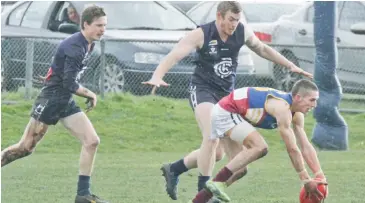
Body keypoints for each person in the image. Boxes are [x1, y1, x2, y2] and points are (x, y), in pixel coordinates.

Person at [142, 1, 312, 202]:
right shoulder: (202, 34)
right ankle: (202, 194)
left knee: (221, 155)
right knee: (211, 137)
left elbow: (262, 49)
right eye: (230, 20)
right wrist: (157, 75)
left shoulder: (241, 31)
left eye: (237, 20)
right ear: (219, 16)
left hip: (227, 97)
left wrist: (290, 65)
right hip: (203, 90)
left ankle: (174, 169)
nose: (234, 24)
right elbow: (176, 53)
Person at [1, 5, 109, 203]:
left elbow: (66, 78)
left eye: (104, 25)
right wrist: (90, 93)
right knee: (25, 147)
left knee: (92, 141)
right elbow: (68, 82)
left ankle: (83, 195)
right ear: (85, 24)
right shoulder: (75, 46)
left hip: (64, 99)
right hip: (51, 99)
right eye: (99, 25)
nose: (103, 29)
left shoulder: (88, 44)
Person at [189, 79, 328, 203]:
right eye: (312, 100)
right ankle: (216, 184)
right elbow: (292, 148)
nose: (315, 104)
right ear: (298, 97)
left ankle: (199, 200)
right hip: (226, 111)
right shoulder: (282, 108)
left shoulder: (297, 114)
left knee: (240, 169)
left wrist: (319, 174)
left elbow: (305, 146)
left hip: (235, 114)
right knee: (260, 147)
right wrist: (304, 178)